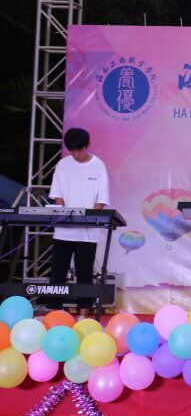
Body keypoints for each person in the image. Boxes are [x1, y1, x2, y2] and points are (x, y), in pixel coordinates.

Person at [48, 128, 110, 315]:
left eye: (80, 150)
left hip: (87, 232)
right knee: (58, 271)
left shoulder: (98, 165)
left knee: (84, 272)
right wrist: (63, 215)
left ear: (87, 146)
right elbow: (58, 196)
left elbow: (101, 199)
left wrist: (89, 218)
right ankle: (55, 312)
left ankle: (83, 314)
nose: (77, 155)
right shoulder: (62, 165)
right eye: (73, 151)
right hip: (63, 231)